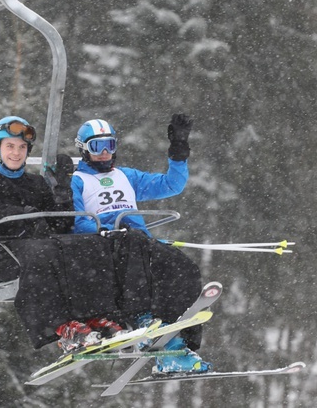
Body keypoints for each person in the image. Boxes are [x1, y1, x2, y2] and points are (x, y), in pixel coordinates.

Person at [0, 116, 125, 351]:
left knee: (88, 244)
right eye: (9, 146)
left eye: (22, 147)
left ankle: (96, 316)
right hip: (1, 252)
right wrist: (24, 215)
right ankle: (60, 325)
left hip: (39, 247)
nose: (16, 153)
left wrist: (62, 189)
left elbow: (61, 223)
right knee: (44, 251)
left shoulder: (36, 183)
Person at [70, 114, 212, 374]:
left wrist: (178, 151)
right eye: (96, 147)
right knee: (134, 243)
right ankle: (140, 319)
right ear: (83, 149)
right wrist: (106, 230)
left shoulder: (126, 176)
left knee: (183, 267)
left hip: (139, 242)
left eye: (109, 146)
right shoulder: (78, 180)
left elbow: (172, 184)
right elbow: (78, 222)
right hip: (107, 245)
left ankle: (178, 341)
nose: (103, 153)